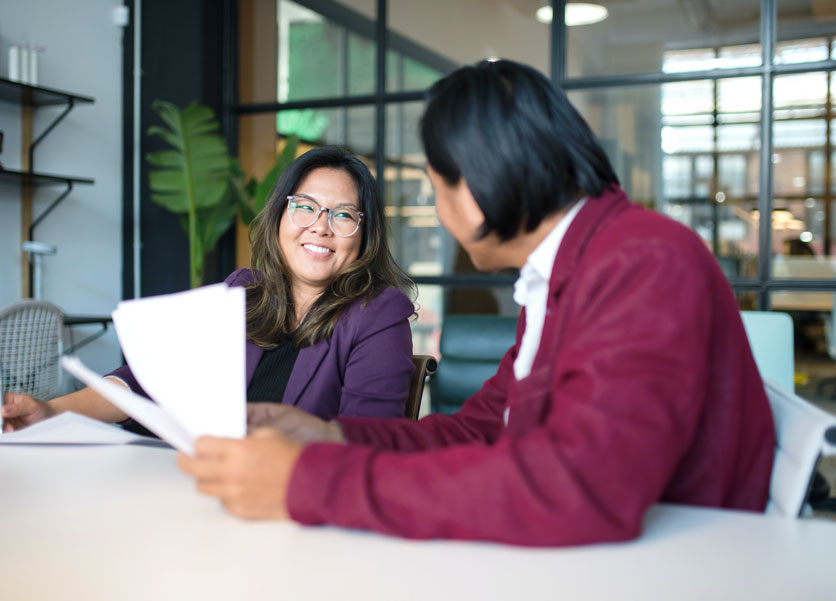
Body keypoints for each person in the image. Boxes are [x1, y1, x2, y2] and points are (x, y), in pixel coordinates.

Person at [176, 60, 776, 546]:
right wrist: (329, 438)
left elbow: (581, 491)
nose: (439, 212)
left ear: (480, 188)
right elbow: (480, 430)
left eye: (437, 188)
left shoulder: (642, 261)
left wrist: (307, 481)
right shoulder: (568, 271)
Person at [0, 146, 416, 434]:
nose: (320, 226)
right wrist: (53, 413)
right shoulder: (242, 293)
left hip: (291, 505)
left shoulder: (378, 314)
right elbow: (145, 381)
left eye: (343, 215)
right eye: (305, 207)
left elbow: (368, 438)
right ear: (280, 216)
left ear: (364, 235)